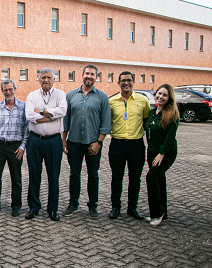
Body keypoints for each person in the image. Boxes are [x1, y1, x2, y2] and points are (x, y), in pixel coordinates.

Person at [62, 65, 111, 219]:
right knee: (74, 174)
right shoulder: (71, 95)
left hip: (93, 143)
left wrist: (99, 142)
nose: (89, 76)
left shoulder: (102, 97)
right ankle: (73, 203)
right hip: (74, 141)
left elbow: (106, 122)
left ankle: (93, 206)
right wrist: (64, 140)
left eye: (92, 74)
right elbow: (66, 119)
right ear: (82, 75)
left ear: (96, 77)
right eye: (87, 73)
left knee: (93, 175)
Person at [25, 68, 67, 221]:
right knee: (34, 175)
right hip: (35, 140)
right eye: (43, 77)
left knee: (53, 176)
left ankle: (53, 209)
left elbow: (62, 111)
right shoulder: (32, 95)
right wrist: (51, 116)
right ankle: (34, 207)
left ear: (53, 79)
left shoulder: (60, 94)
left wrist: (41, 112)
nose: (46, 80)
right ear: (39, 79)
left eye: (48, 77)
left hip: (53, 141)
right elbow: (29, 115)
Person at [108, 71, 151, 220]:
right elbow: (108, 122)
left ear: (133, 82)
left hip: (136, 145)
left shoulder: (143, 100)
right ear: (118, 83)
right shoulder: (111, 101)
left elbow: (146, 121)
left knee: (135, 178)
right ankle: (115, 207)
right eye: (123, 81)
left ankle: (132, 208)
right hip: (117, 144)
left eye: (129, 80)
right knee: (116, 177)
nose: (126, 83)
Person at [0, 79, 29, 217]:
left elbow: (27, 130)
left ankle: (16, 206)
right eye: (5, 90)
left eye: (10, 89)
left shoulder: (23, 107)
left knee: (16, 178)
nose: (8, 92)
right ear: (2, 91)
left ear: (15, 89)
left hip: (15, 147)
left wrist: (23, 147)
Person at [144, 84, 179, 226]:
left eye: (165, 95)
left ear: (169, 98)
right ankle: (163, 213)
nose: (161, 97)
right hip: (152, 152)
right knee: (159, 181)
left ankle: (156, 214)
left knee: (151, 178)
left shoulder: (172, 114)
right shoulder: (153, 112)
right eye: (159, 94)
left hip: (166, 153)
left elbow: (170, 137)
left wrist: (161, 154)